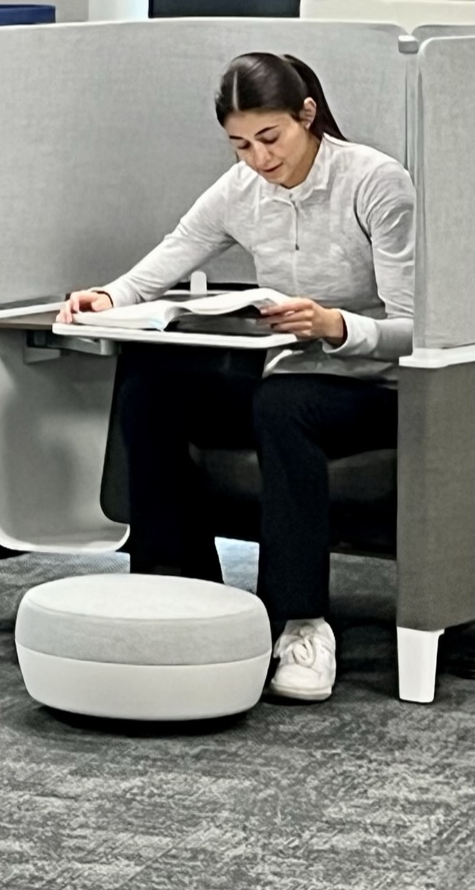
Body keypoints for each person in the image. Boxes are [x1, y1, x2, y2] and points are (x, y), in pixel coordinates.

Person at [58, 52, 413, 703]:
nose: (258, 158)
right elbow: (171, 254)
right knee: (151, 390)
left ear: (307, 114)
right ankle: (181, 592)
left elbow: (414, 327)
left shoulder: (374, 181)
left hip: (377, 387)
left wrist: (334, 324)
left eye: (270, 138)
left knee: (283, 403)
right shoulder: (241, 189)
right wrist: (107, 297)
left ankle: (300, 625)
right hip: (290, 376)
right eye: (241, 144)